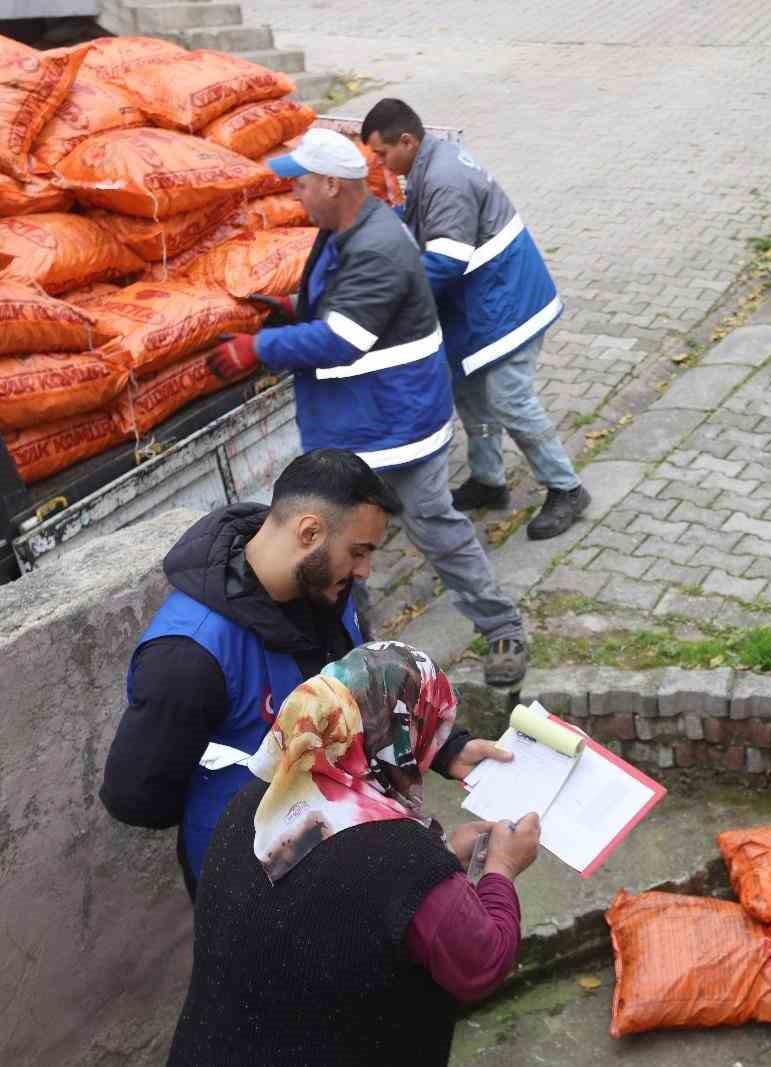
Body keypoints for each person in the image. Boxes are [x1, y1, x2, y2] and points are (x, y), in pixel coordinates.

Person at [100, 448, 513, 897]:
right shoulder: (189, 656)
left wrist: (446, 748)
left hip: (343, 855)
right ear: (309, 531)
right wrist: (237, 802)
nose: (365, 570)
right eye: (358, 552)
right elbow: (137, 796)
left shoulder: (325, 589)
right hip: (255, 893)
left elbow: (366, 690)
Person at [205, 127, 530, 689]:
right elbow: (344, 299)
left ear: (333, 184)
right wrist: (293, 304)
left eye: (301, 184)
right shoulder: (344, 228)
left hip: (395, 425)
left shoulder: (376, 244)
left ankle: (500, 627)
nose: (295, 195)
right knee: (343, 549)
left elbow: (343, 339)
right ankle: (363, 656)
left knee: (434, 527)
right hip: (361, 420)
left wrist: (256, 348)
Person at [167, 641, 541, 1065]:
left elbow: (333, 891)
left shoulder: (254, 802)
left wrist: (441, 859)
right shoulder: (403, 858)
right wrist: (501, 868)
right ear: (404, 734)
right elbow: (482, 962)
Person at [361, 98, 591, 542]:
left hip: (509, 305)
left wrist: (391, 300)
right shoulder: (429, 164)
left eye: (383, 154)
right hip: (487, 302)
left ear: (406, 141)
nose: (380, 164)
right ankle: (488, 480)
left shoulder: (444, 178)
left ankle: (566, 487)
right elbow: (418, 222)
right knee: (468, 391)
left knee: (510, 400)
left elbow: (445, 261)